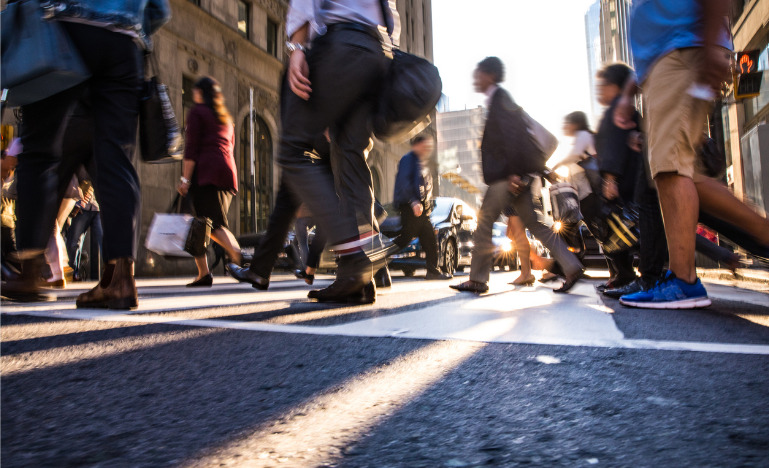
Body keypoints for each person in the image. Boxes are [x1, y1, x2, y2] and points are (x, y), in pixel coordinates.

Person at [2, 0, 171, 306]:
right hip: (123, 41)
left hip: (61, 26)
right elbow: (160, 9)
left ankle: (28, 273)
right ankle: (121, 279)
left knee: (40, 151)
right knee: (117, 157)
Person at [614, 0, 769, 309]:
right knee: (679, 173)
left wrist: (711, 41)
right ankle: (762, 234)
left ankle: (683, 280)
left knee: (671, 170)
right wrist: (632, 88)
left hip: (685, 50)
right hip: (672, 56)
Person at [271, 0, 400, 303]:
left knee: (292, 150)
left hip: (339, 46)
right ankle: (358, 280)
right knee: (349, 156)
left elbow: (304, 5)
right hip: (377, 51)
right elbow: (391, 14)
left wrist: (298, 49)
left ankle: (357, 256)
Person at [451, 57, 583, 294]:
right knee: (534, 223)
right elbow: (521, 139)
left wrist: (513, 173)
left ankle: (477, 279)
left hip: (506, 177)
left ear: (490, 75)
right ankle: (571, 265)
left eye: (479, 74)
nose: (475, 78)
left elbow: (513, 138)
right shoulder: (499, 100)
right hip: (516, 175)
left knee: (484, 221)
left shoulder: (501, 99)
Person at [177, 76, 242, 287]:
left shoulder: (197, 112)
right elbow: (229, 147)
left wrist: (185, 179)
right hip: (226, 173)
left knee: (211, 225)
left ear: (200, 93)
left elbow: (191, 148)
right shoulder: (226, 119)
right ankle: (203, 273)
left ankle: (241, 257)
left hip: (206, 173)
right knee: (200, 225)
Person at [593, 63, 643, 292]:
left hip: (623, 183)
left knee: (617, 232)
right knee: (630, 232)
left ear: (614, 86)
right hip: (633, 181)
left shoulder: (617, 110)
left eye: (602, 85)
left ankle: (627, 277)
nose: (599, 90)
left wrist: (610, 179)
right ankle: (628, 276)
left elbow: (613, 146)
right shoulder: (626, 109)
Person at [392, 134, 452, 280]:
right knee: (404, 239)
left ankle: (432, 270)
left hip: (421, 208)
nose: (428, 149)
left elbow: (425, 187)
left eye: (429, 146)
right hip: (410, 206)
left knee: (429, 238)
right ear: (417, 145)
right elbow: (404, 182)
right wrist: (413, 201)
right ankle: (378, 260)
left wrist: (426, 206)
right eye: (426, 145)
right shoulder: (408, 159)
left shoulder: (421, 162)